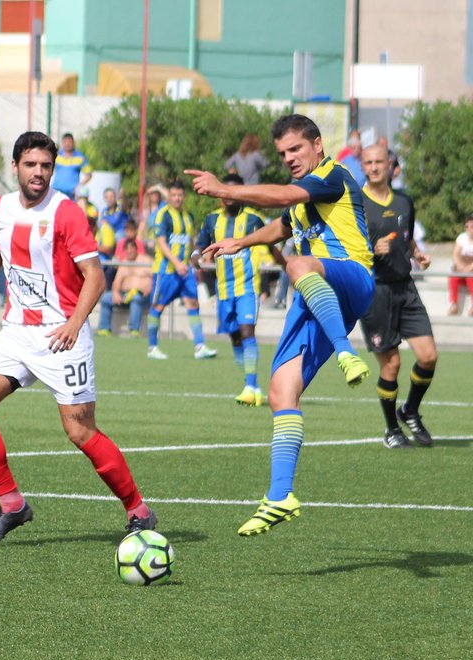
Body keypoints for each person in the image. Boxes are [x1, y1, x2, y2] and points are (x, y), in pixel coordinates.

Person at [0, 131, 156, 545]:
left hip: (62, 336)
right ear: (14, 166)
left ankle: (138, 509)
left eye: (46, 166)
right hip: (16, 332)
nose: (39, 172)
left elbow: (95, 277)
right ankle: (12, 504)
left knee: (80, 432)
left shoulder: (66, 213)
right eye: (31, 164)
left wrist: (74, 323)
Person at [188, 113, 375, 537]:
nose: (289, 157)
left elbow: (282, 198)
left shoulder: (331, 176)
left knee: (297, 262)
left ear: (317, 145)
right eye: (282, 153)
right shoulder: (303, 194)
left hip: (353, 276)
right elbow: (283, 224)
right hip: (316, 290)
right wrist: (241, 241)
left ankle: (345, 351)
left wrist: (225, 189)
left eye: (296, 149)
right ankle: (280, 496)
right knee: (280, 391)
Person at [358, 144, 437, 448]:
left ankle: (410, 411)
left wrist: (418, 254)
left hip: (406, 287)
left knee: (428, 357)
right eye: (369, 162)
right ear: (362, 166)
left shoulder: (404, 201)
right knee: (391, 364)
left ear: (390, 164)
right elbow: (345, 250)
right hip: (375, 291)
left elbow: (407, 237)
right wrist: (370, 250)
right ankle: (392, 430)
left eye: (379, 161)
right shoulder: (356, 204)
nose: (375, 167)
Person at [193, 173, 273, 406]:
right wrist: (195, 256)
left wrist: (284, 264)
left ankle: (249, 386)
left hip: (248, 286)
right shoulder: (211, 220)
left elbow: (271, 242)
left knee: (247, 331)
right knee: (235, 337)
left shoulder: (253, 220)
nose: (229, 196)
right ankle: (253, 387)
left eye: (234, 191)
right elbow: (200, 244)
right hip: (224, 290)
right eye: (225, 190)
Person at [146, 180, 218, 360]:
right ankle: (152, 347)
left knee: (193, 304)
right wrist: (176, 263)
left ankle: (200, 346)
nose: (177, 198)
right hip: (166, 271)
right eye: (174, 195)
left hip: (185, 271)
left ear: (184, 196)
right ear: (168, 196)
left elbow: (190, 242)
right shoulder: (163, 215)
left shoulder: (188, 217)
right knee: (157, 307)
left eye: (180, 195)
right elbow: (161, 243)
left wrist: (194, 258)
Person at [96, 236, 153, 337]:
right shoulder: (124, 264)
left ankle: (134, 330)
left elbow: (156, 278)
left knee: (136, 298)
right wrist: (115, 292)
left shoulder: (145, 261)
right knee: (106, 298)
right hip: (125, 295)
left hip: (142, 295)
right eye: (127, 249)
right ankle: (104, 329)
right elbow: (116, 282)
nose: (129, 251)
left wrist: (150, 288)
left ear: (136, 249)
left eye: (131, 248)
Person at [50, 132, 91, 199]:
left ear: (73, 143)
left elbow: (89, 175)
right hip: (56, 189)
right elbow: (50, 169)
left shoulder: (80, 157)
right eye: (65, 142)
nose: (67, 144)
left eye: (69, 142)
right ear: (62, 143)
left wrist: (79, 186)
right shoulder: (57, 155)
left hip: (71, 193)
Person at [447, 215, 473, 315]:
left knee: (471, 278)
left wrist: (469, 268)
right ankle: (453, 304)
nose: (469, 229)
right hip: (462, 267)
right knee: (453, 277)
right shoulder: (462, 237)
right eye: (467, 226)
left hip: (471, 269)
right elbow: (455, 254)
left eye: (472, 226)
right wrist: (460, 265)